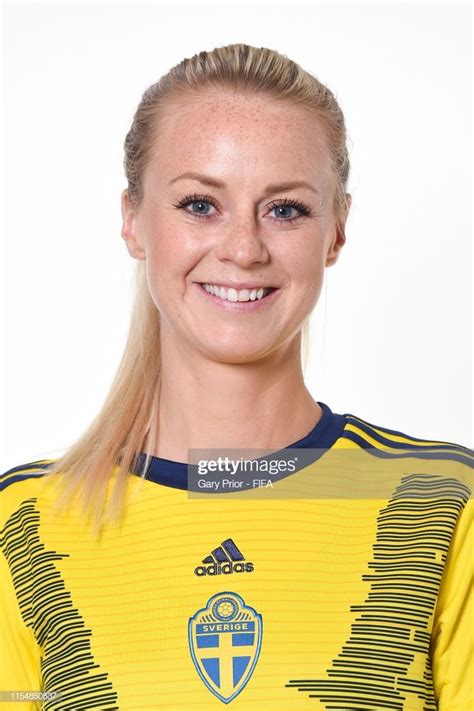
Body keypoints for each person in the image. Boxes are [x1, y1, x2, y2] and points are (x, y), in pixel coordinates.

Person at [0, 43, 472, 711]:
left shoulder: (443, 506)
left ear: (336, 230)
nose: (244, 248)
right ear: (133, 219)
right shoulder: (21, 524)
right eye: (200, 204)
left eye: (285, 209)